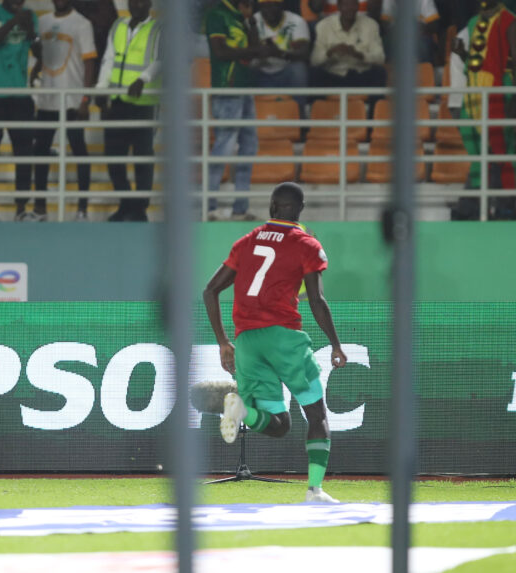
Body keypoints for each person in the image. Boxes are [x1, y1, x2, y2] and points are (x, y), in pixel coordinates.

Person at [203, 182, 347, 504]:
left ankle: (242, 412)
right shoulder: (306, 244)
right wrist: (335, 344)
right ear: (300, 209)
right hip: (283, 337)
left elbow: (209, 290)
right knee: (317, 415)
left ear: (271, 206)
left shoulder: (246, 242)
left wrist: (224, 342)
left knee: (279, 424)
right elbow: (316, 300)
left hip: (247, 341)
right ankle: (314, 490)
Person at [450, 0, 516, 220]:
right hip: (473, 96)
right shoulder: (474, 21)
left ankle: (506, 207)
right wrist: (463, 54)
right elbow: (476, 63)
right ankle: (474, 207)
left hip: (498, 96)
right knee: (479, 156)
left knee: (502, 153)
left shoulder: (512, 21)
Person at [204, 0, 273, 221]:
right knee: (224, 144)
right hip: (227, 88)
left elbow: (255, 53)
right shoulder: (217, 14)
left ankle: (240, 208)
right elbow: (220, 52)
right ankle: (208, 206)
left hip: (245, 88)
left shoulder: (239, 16)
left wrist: (251, 22)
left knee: (249, 144)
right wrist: (256, 49)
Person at [30, 0, 97, 221]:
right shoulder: (42, 22)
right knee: (40, 154)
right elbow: (42, 55)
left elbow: (89, 63)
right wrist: (36, 71)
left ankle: (82, 210)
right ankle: (40, 208)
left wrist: (85, 99)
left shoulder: (82, 24)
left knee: (80, 153)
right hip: (47, 99)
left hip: (72, 101)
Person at [95, 0, 161, 222]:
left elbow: (162, 60)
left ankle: (140, 208)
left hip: (145, 103)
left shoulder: (158, 29)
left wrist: (144, 79)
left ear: (150, 4)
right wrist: (101, 89)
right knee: (114, 156)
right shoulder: (118, 26)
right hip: (118, 101)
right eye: (134, 1)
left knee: (143, 158)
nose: (138, 5)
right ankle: (126, 204)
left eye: (142, 1)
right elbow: (108, 59)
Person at [0, 0, 41, 222]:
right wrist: (14, 21)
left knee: (24, 153)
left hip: (20, 95)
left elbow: (39, 51)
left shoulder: (30, 16)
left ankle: (21, 209)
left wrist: (31, 30)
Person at [310, 0, 386, 92]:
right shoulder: (324, 25)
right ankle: (317, 106)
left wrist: (359, 55)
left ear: (358, 7)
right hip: (333, 75)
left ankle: (375, 106)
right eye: (346, 5)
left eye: (353, 4)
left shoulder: (370, 25)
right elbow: (314, 60)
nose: (350, 8)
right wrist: (330, 52)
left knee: (380, 72)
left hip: (361, 74)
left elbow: (380, 58)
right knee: (315, 73)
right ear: (338, 7)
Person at [254, 0, 311, 108]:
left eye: (274, 5)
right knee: (245, 69)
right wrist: (259, 52)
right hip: (261, 71)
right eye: (266, 6)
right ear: (260, 7)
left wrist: (280, 54)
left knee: (299, 68)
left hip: (286, 72)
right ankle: (248, 113)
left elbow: (304, 54)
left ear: (281, 5)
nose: (270, 10)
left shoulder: (296, 21)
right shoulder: (251, 21)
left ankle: (300, 111)